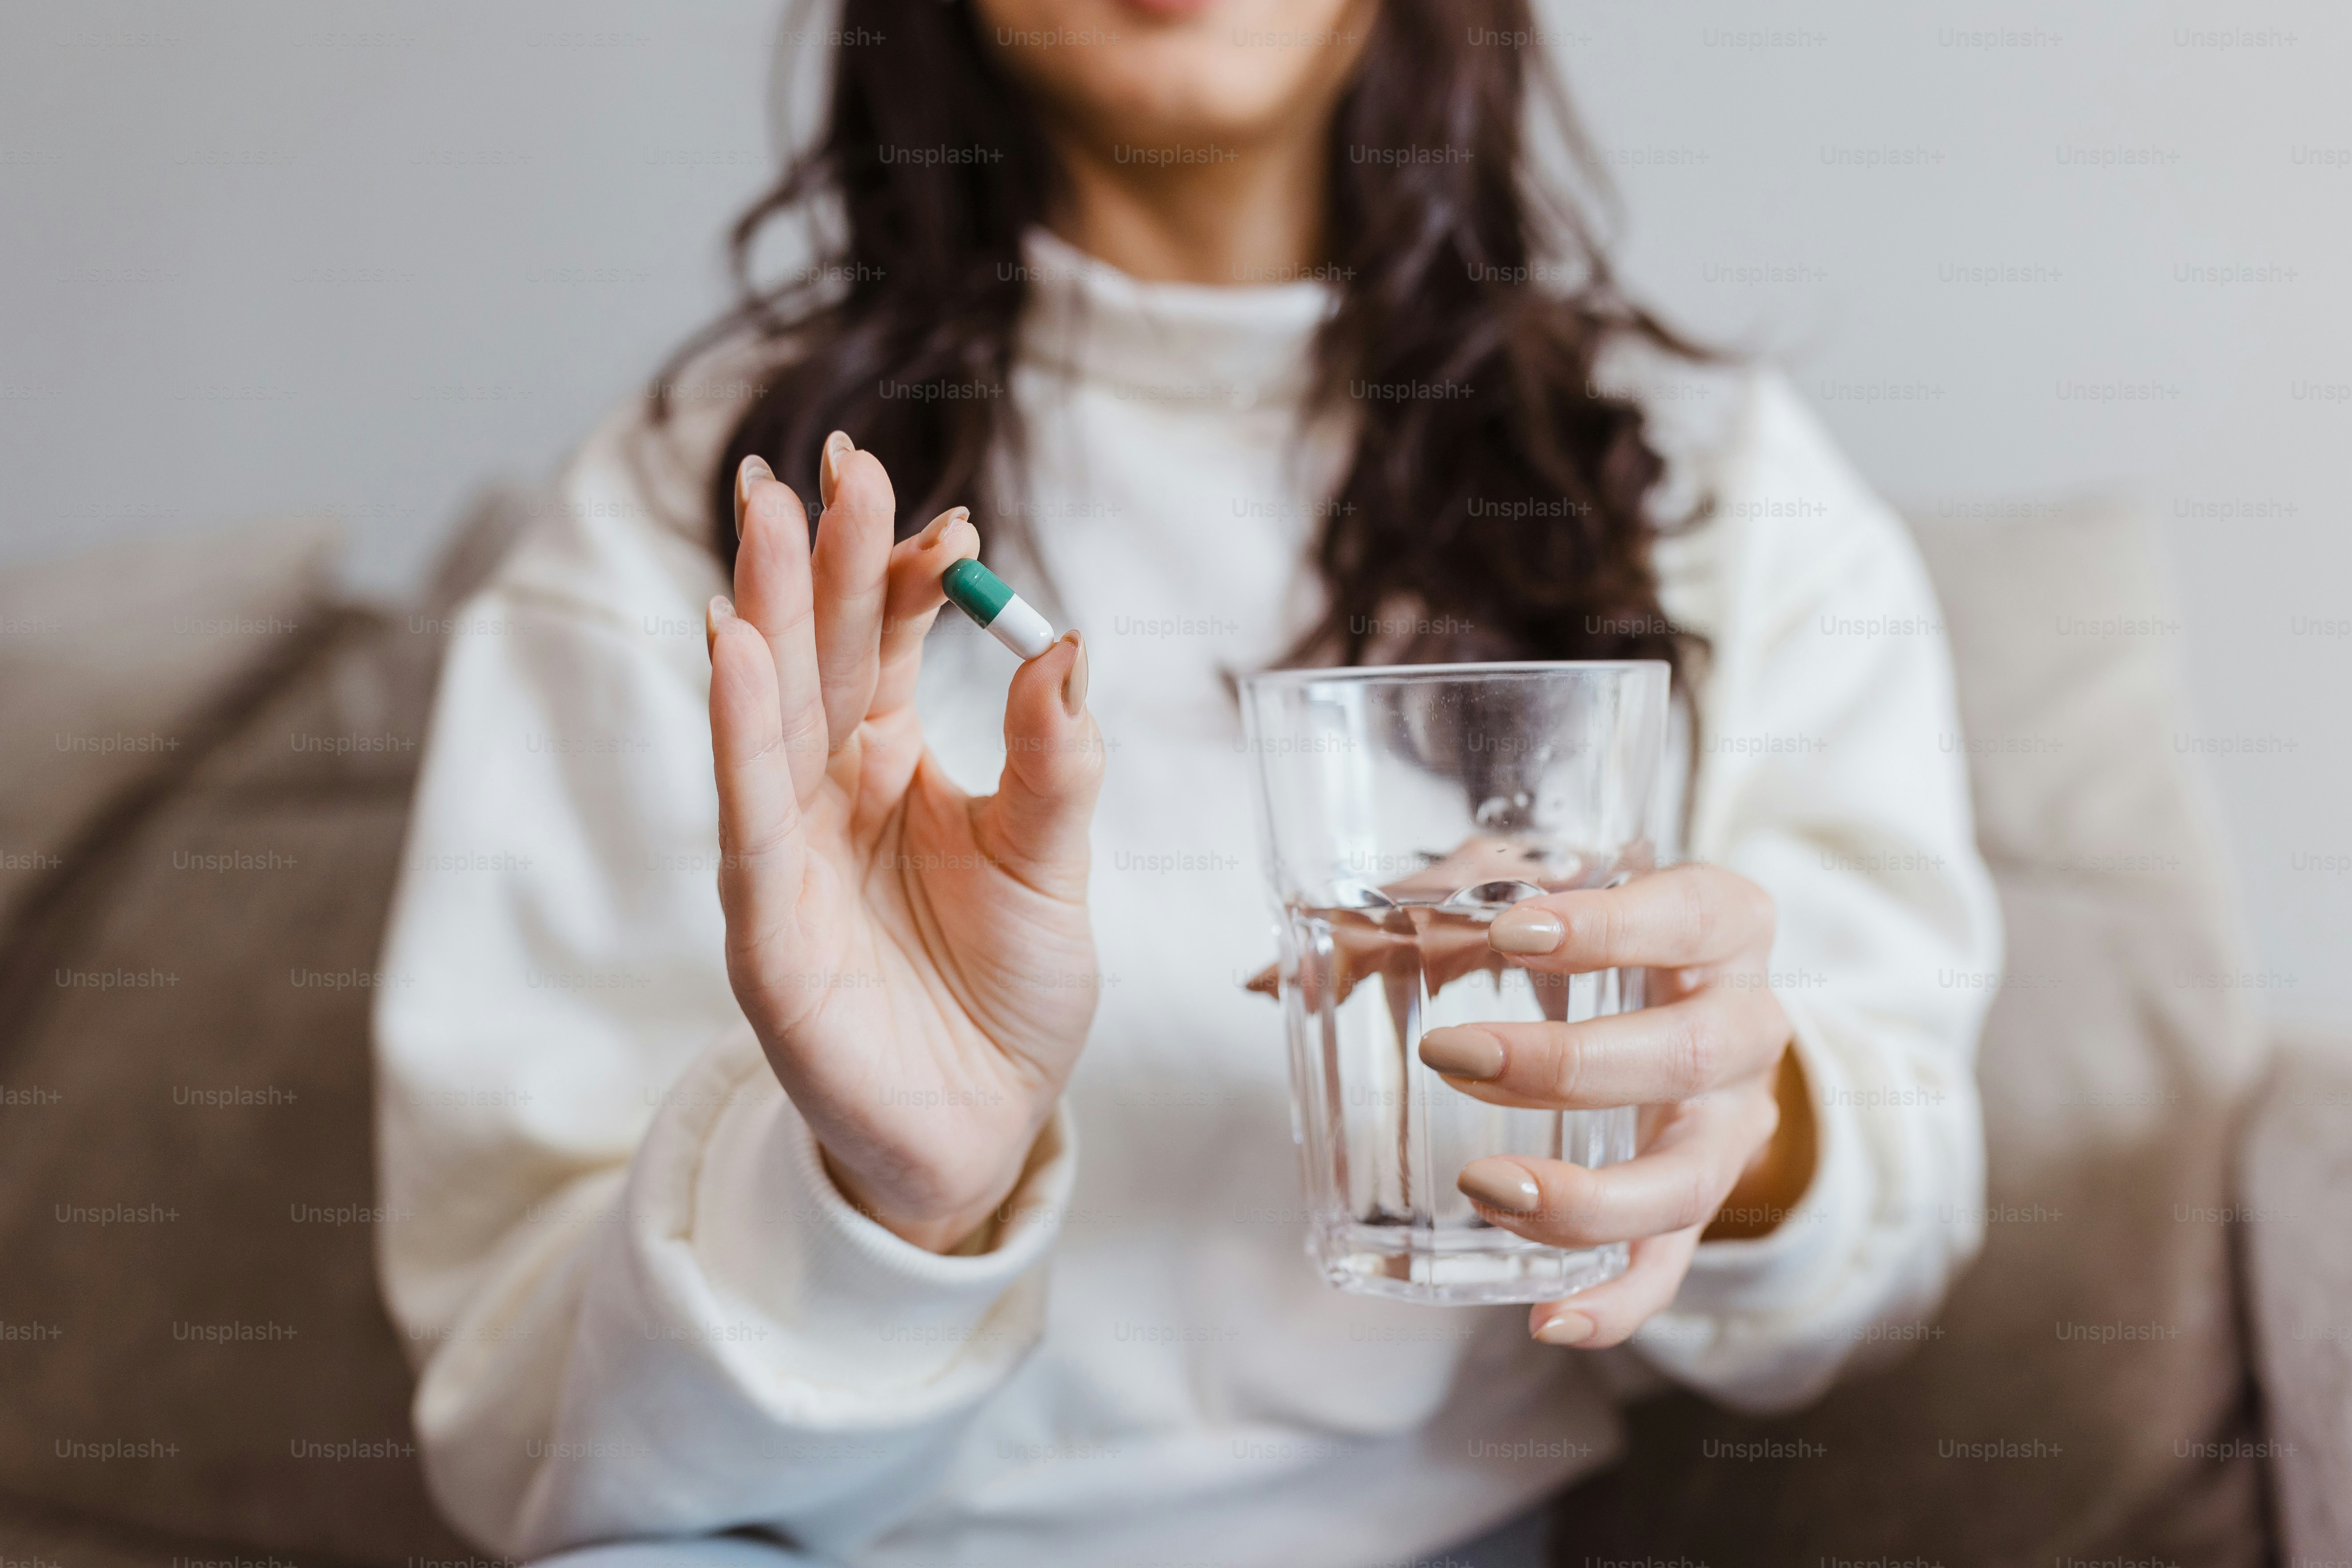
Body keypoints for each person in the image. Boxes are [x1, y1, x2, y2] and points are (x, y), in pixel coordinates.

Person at [372, 1, 2001, 1564]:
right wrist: (887, 1198)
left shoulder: (1711, 484)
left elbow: (1901, 1214)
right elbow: (519, 1430)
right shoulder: (711, 514)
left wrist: (1738, 1113)